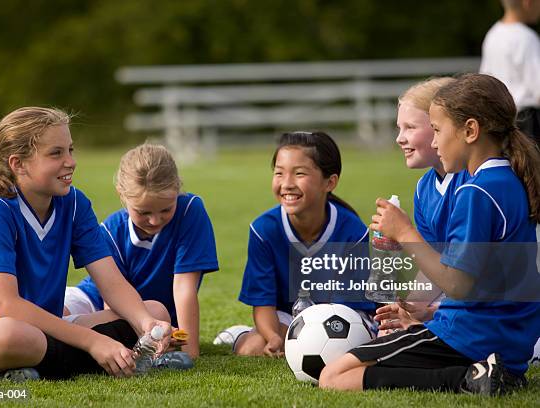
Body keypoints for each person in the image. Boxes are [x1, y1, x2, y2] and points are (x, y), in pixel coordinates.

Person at [319, 74, 540, 395]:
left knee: (334, 376)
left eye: (436, 130)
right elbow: (489, 281)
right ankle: (483, 372)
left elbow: (458, 284)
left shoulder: (476, 192)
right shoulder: (507, 179)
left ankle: (467, 380)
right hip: (502, 336)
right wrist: (425, 310)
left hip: (471, 336)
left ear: (470, 131)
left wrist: (405, 232)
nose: (435, 142)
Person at [0, 107, 171, 380]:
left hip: (43, 330)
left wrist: (146, 324)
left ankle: (36, 367)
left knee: (153, 310)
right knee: (13, 335)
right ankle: (90, 358)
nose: (70, 161)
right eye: (56, 153)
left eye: (71, 150)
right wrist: (92, 341)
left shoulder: (74, 203)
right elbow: (6, 307)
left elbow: (111, 282)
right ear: (17, 163)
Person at [215, 131, 375, 357]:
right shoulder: (263, 230)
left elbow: (345, 309)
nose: (287, 184)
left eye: (299, 173)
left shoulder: (352, 231)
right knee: (252, 348)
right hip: (288, 316)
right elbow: (264, 304)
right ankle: (240, 334)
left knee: (342, 349)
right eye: (279, 173)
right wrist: (272, 337)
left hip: (342, 315)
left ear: (330, 182)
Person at [64, 144, 218, 359]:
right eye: (143, 212)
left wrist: (189, 352)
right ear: (122, 195)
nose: (155, 220)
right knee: (49, 315)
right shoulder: (111, 230)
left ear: (177, 188)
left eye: (165, 209)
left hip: (152, 316)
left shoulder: (190, 211)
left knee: (153, 315)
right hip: (94, 301)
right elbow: (112, 301)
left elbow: (184, 288)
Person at [376, 77, 468, 335]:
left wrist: (404, 232)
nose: (399, 139)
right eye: (398, 128)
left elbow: (471, 279)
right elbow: (433, 266)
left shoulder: (473, 182)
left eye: (410, 128)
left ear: (441, 127)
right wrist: (408, 310)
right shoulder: (424, 188)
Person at [480, 0, 540, 146]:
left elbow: (484, 80)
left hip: (501, 120)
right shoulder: (526, 38)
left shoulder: (493, 35)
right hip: (527, 122)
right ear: (528, 3)